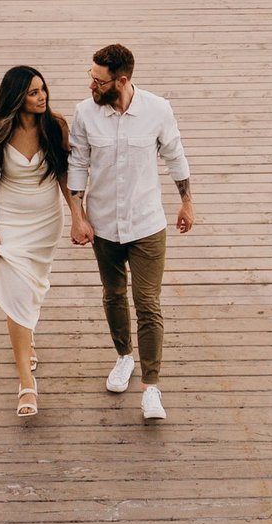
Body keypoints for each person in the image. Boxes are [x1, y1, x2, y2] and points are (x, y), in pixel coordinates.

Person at [67, 41, 192, 423]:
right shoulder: (85, 114)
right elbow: (78, 164)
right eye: (90, 77)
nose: (91, 85)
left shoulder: (157, 110)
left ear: (121, 81)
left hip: (147, 224)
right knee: (113, 294)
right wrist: (77, 215)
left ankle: (151, 387)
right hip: (103, 224)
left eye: (98, 80)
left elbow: (174, 154)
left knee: (148, 303)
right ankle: (124, 357)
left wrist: (187, 201)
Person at [0, 64, 70, 418]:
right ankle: (26, 382)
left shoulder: (56, 125)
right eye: (32, 92)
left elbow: (64, 174)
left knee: (33, 289)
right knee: (15, 294)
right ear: (17, 96)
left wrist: (78, 215)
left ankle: (27, 337)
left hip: (46, 222)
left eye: (42, 89)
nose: (41, 96)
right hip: (11, 223)